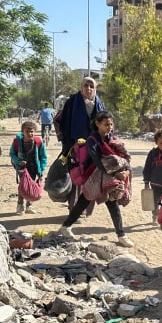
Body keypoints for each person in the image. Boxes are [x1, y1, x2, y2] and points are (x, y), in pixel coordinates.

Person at [56, 111, 135, 248]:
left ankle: (121, 234)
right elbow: (98, 161)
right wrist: (115, 174)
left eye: (111, 124)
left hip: (108, 175)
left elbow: (120, 155)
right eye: (106, 124)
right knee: (84, 202)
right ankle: (66, 226)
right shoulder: (92, 140)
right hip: (94, 175)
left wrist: (124, 169)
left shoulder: (111, 138)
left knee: (109, 203)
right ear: (98, 124)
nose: (109, 127)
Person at [57, 77, 105, 218]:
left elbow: (106, 124)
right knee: (76, 178)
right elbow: (63, 122)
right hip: (75, 147)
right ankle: (74, 209)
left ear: (95, 88)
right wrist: (68, 143)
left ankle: (85, 210)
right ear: (81, 87)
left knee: (91, 178)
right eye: (86, 85)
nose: (88, 88)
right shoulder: (72, 102)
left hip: (93, 147)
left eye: (91, 86)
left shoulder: (99, 104)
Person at [9, 120, 48, 215]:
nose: (30, 133)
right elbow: (12, 154)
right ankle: (20, 205)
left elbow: (43, 157)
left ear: (35, 132)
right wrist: (18, 161)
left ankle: (29, 205)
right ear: (22, 132)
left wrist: (41, 168)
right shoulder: (17, 142)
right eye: (27, 131)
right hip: (22, 168)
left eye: (32, 131)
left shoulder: (38, 142)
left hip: (34, 167)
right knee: (23, 186)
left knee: (32, 185)